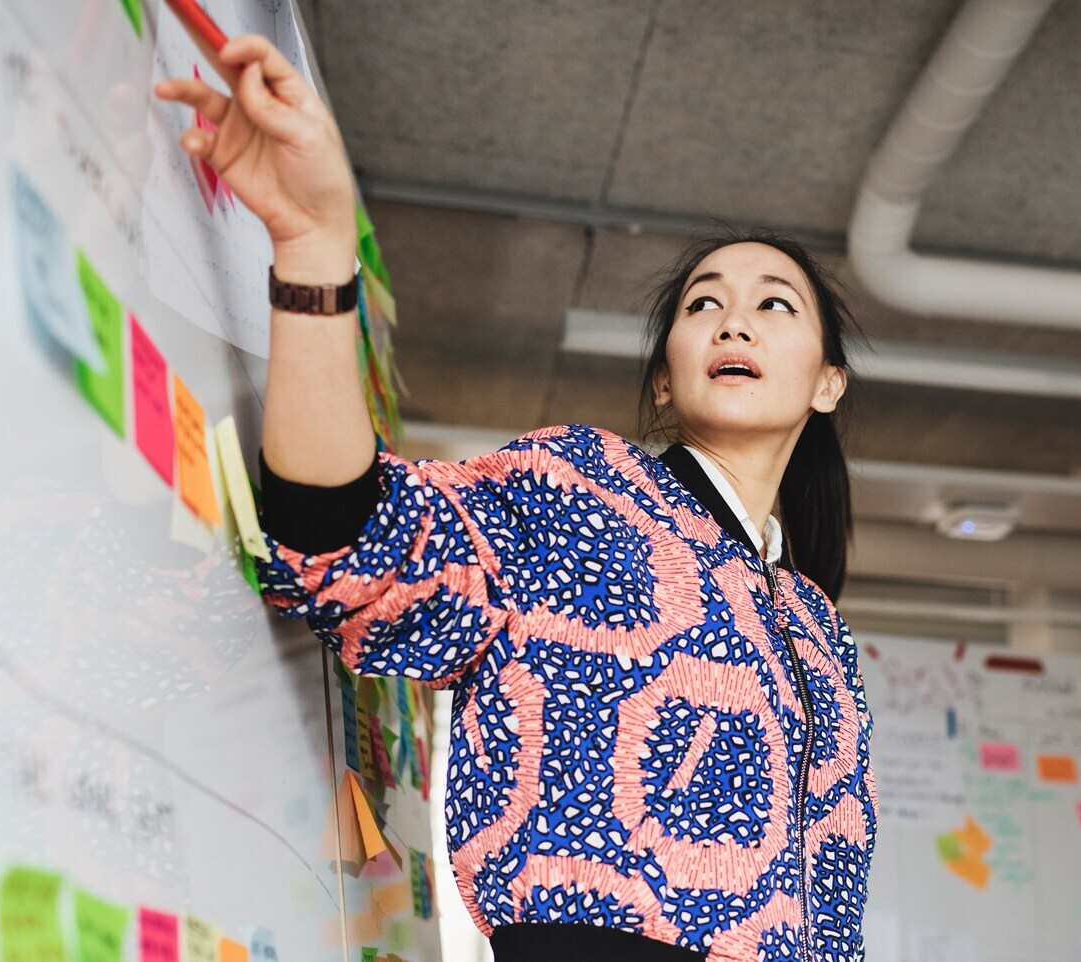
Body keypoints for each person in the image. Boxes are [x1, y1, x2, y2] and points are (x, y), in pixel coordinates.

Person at [155, 36, 878, 962]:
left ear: (828, 383)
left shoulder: (816, 624)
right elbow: (346, 536)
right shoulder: (577, 489)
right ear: (664, 381)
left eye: (775, 304)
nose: (733, 318)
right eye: (703, 304)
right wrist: (312, 249)